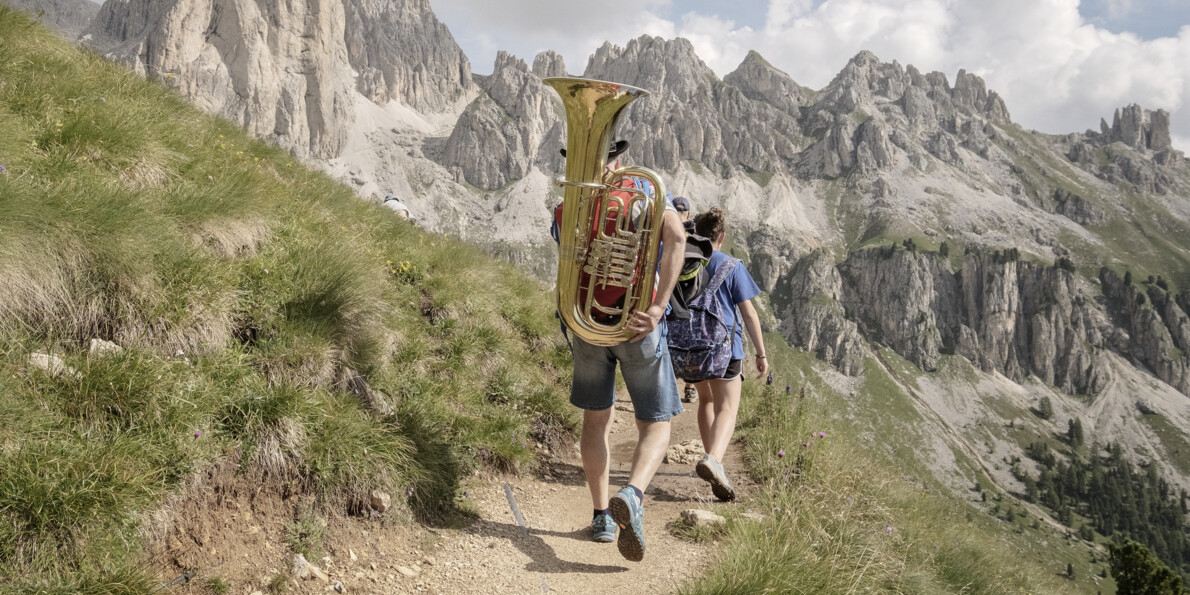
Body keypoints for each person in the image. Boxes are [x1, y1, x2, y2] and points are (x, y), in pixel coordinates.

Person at [552, 140, 686, 562]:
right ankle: (632, 493)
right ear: (619, 157)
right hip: (637, 323)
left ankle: (600, 517)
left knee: (596, 422)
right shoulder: (644, 193)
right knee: (656, 424)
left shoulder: (565, 206)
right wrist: (659, 306)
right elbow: (679, 238)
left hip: (589, 324)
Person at [690, 207, 768, 502]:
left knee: (706, 400)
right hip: (725, 348)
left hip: (692, 346)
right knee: (728, 407)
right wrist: (760, 353)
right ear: (721, 236)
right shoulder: (732, 265)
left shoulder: (687, 261)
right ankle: (714, 460)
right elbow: (748, 314)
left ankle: (712, 461)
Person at [669, 196, 699, 404]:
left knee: (668, 343)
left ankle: (668, 386)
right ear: (687, 214)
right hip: (691, 300)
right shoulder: (695, 240)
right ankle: (690, 387)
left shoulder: (666, 234)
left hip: (669, 299)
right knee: (691, 344)